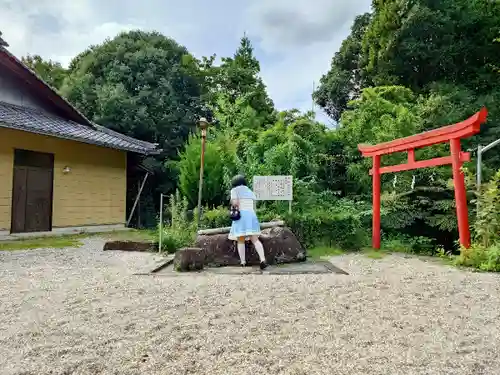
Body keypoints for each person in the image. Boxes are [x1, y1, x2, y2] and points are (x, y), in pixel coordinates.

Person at [228, 174, 268, 270]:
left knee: (240, 240)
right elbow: (254, 208)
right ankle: (262, 259)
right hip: (251, 216)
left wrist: (232, 203)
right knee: (255, 239)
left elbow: (235, 203)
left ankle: (243, 262)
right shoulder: (251, 192)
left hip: (241, 216)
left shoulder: (234, 190)